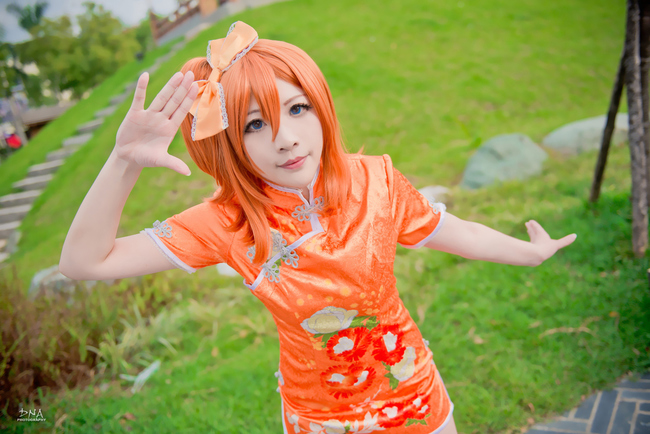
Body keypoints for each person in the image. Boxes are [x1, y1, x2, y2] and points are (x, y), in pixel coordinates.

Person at [59, 21, 577, 434]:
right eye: (255, 124)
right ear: (229, 141)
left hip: (413, 393)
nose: (285, 138)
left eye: (297, 108)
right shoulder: (228, 222)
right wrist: (123, 162)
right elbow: (83, 263)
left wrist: (528, 252)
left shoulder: (376, 181)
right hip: (320, 419)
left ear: (321, 107)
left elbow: (457, 232)